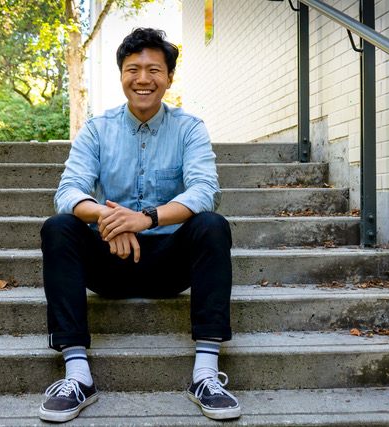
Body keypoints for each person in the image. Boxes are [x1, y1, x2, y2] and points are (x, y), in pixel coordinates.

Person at [38, 27, 240, 423]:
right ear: (121, 75)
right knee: (58, 226)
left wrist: (145, 218)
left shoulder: (189, 128)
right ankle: (78, 376)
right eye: (133, 69)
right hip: (110, 260)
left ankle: (205, 375)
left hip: (169, 264)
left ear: (168, 77)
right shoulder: (97, 130)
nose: (143, 79)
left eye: (154, 70)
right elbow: (69, 191)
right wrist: (110, 219)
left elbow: (205, 190)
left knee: (213, 225)